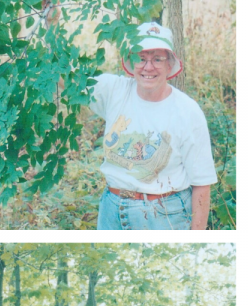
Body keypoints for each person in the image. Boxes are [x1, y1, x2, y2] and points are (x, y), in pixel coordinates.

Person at [88, 22, 217, 230]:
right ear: (131, 61)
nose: (148, 67)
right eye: (142, 58)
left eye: (157, 59)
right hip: (111, 211)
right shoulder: (114, 90)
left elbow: (202, 184)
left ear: (169, 64)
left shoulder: (187, 111)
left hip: (164, 215)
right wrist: (51, 26)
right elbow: (66, 79)